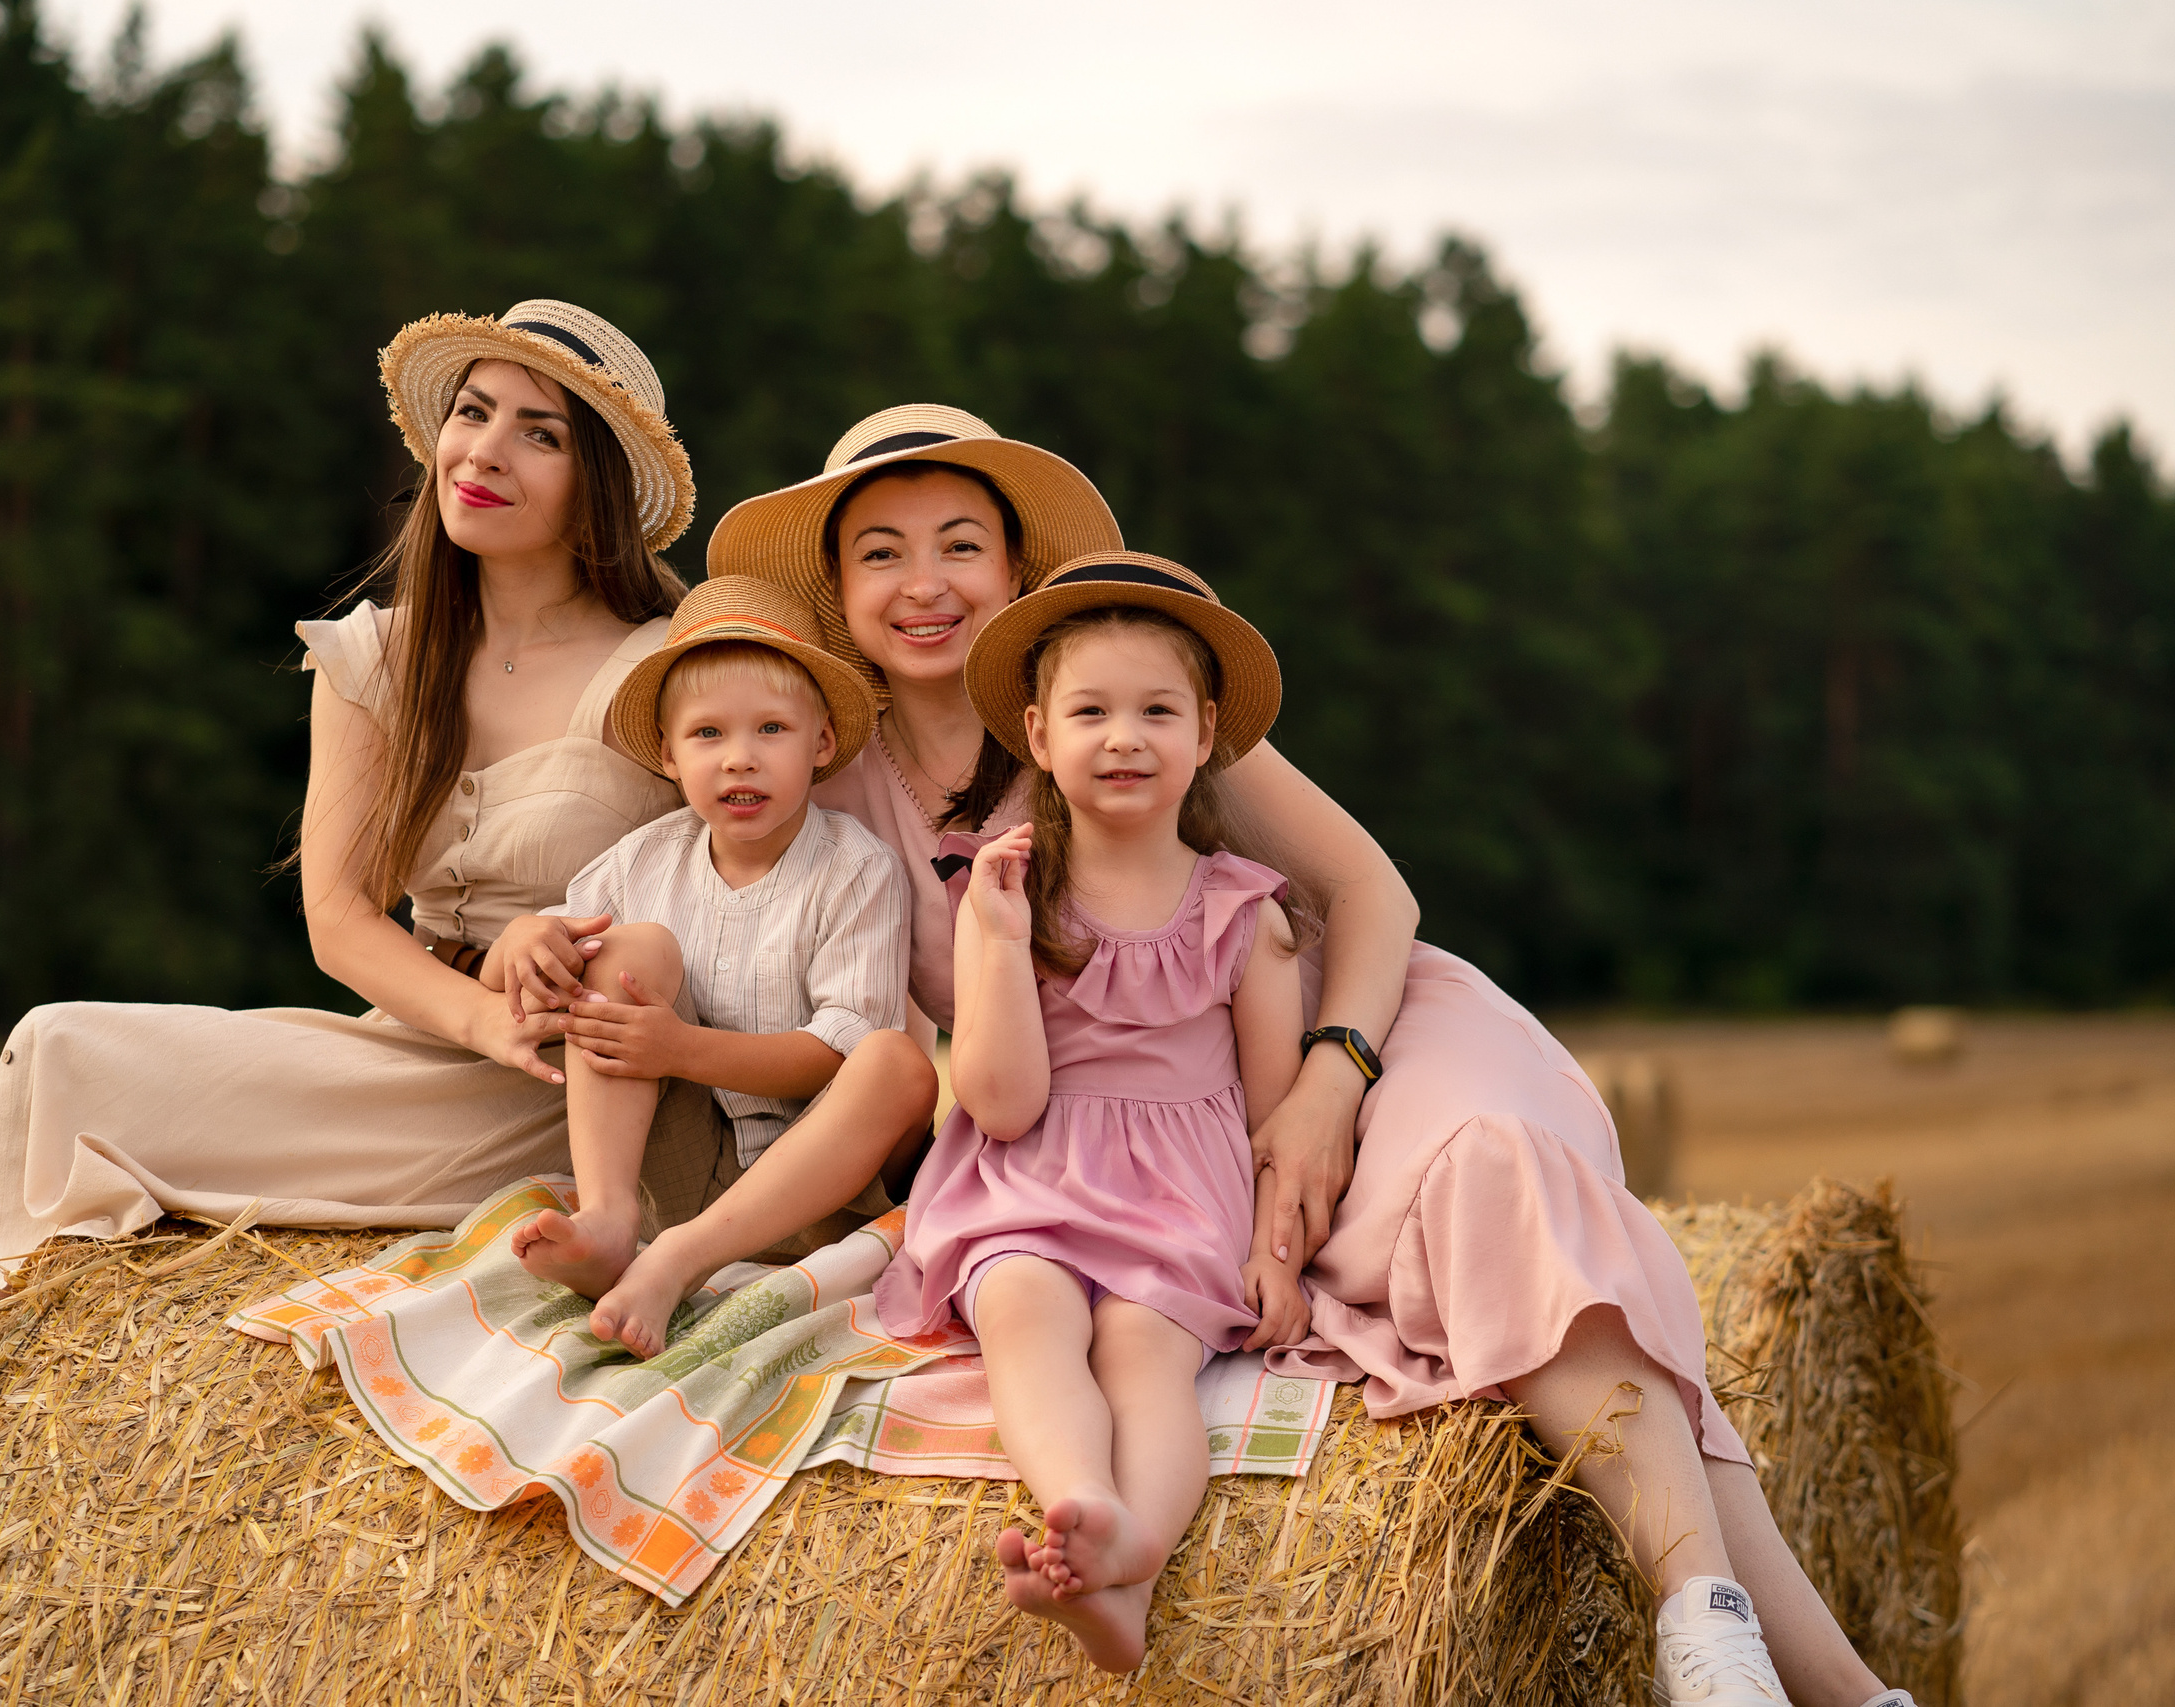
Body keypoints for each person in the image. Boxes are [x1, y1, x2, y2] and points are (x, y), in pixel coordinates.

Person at [712, 407, 1916, 1707]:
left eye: (961, 543)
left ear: (1015, 576)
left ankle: (1703, 1624)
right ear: (838, 592)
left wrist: (1331, 1081)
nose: (925, 582)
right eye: (881, 552)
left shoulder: (1122, 695)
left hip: (1361, 1018)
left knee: (1495, 1183)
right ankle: (1844, 1691)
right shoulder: (826, 791)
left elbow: (1373, 892)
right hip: (1162, 1129)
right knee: (1526, 1283)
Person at [0, 300, 734, 1547]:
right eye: (471, 414)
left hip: (592, 1092)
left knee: (53, 1058)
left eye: (541, 435)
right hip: (429, 1037)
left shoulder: (670, 664)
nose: (483, 451)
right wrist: (474, 1015)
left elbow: (764, 863)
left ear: (600, 487)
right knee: (55, 1048)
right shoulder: (382, 654)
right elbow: (338, 918)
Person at [874, 557, 1314, 1673]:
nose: (1123, 737)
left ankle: (1133, 1553)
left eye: (1157, 711)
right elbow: (1005, 1104)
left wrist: (1278, 1256)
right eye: (1090, 712)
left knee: (1142, 1348)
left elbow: (1275, 1118)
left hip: (1179, 1186)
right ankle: (1077, 1505)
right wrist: (1006, 942)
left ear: (1205, 732)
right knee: (1023, 1308)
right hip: (1028, 1170)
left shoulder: (1243, 912)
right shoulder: (998, 890)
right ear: (1036, 732)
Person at [488, 576, 937, 1356]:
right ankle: (610, 1218)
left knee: (894, 1060)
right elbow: (525, 965)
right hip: (689, 1168)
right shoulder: (644, 859)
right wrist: (523, 937)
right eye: (707, 735)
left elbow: (835, 1051)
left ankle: (678, 1261)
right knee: (628, 947)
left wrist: (679, 1049)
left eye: (771, 729)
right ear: (667, 752)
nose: (740, 759)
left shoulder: (858, 869)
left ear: (821, 743)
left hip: (826, 1186)